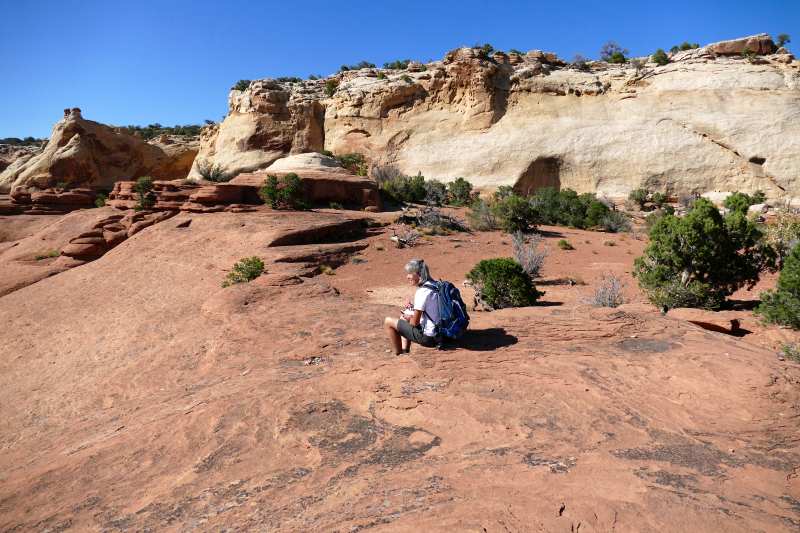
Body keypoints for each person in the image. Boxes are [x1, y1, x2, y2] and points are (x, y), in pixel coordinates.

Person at [384, 259, 440, 355]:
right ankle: (405, 351)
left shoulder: (422, 292)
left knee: (389, 321)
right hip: (441, 334)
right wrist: (415, 307)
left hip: (429, 338)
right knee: (405, 315)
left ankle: (399, 354)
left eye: (410, 273)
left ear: (420, 275)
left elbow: (414, 323)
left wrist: (409, 318)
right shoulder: (435, 285)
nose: (407, 277)